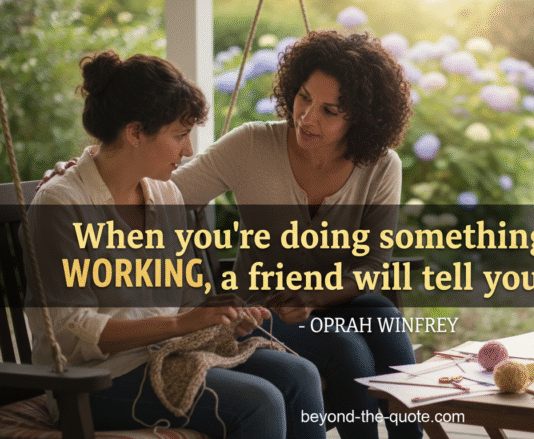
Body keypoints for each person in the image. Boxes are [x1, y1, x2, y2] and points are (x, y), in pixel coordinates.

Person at [41, 31, 422, 438]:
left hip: (317, 302)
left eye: (330, 110)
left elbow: (374, 264)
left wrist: (309, 298)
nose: (308, 117)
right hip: (252, 310)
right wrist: (93, 164)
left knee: (383, 323)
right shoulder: (244, 149)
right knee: (342, 349)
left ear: (361, 118)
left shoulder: (381, 165)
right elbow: (151, 183)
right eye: (304, 98)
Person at [25, 50, 325, 439]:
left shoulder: (164, 196)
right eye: (180, 136)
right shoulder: (62, 203)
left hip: (168, 358)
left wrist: (224, 316)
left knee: (299, 374)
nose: (187, 151)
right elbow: (70, 331)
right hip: (93, 382)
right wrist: (182, 323)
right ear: (135, 132)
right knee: (259, 401)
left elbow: (187, 298)